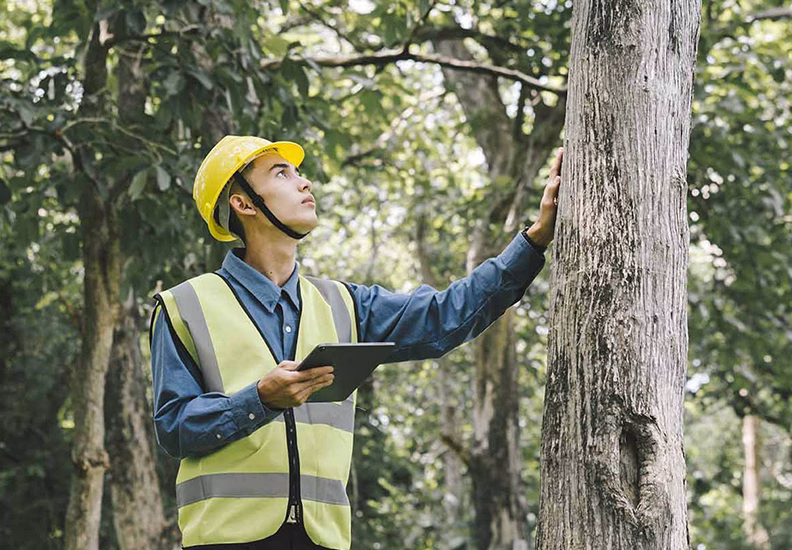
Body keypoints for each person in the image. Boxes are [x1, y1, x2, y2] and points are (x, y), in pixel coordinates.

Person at [150, 135, 562, 549]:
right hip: (225, 540)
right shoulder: (184, 306)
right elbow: (173, 428)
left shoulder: (344, 304)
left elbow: (444, 318)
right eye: (282, 173)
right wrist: (259, 399)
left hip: (323, 539)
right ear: (244, 204)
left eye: (299, 172)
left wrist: (535, 239)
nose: (304, 183)